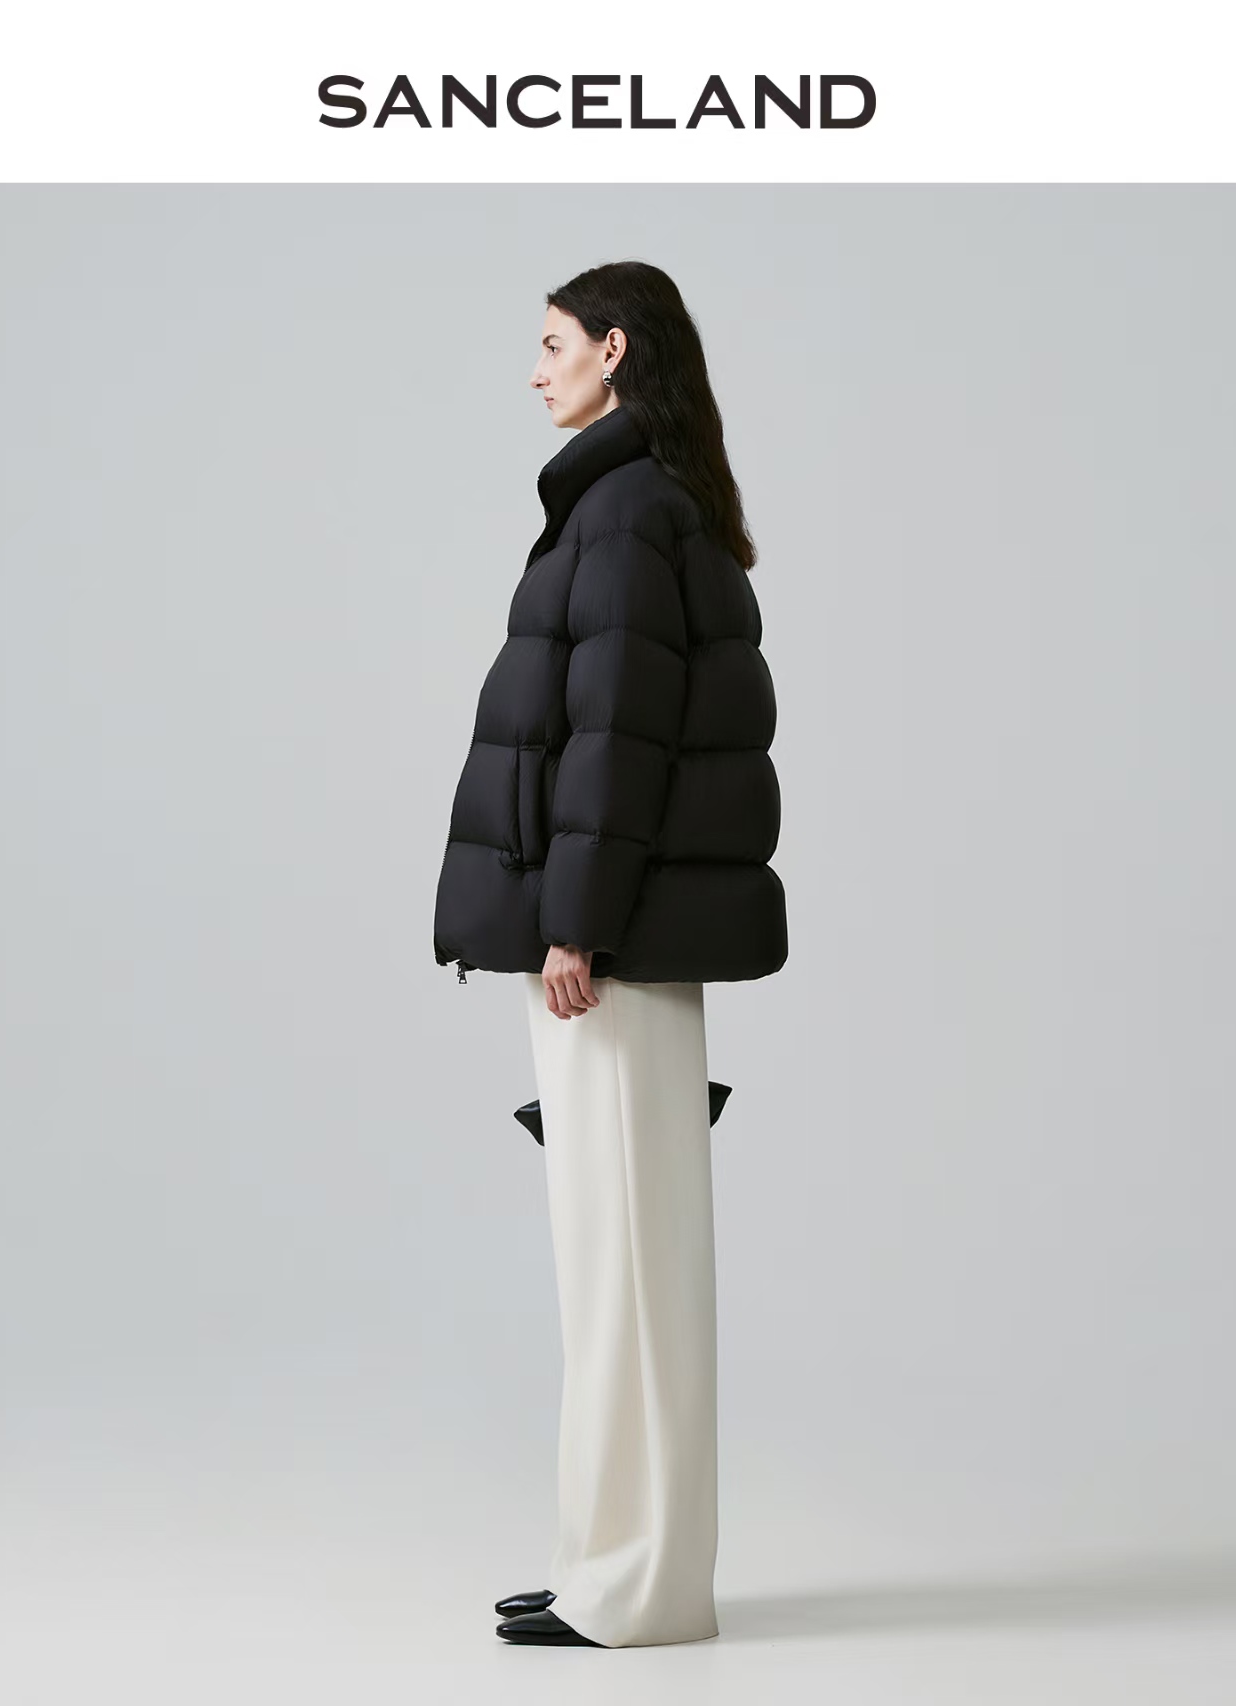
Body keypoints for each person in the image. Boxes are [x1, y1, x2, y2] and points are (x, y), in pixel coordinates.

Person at [432, 259, 788, 1647]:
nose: (535, 369)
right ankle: (609, 1560)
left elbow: (618, 741)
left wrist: (572, 920)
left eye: (551, 343)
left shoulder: (629, 511)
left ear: (614, 349)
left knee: (631, 1265)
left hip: (609, 946)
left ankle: (640, 1585)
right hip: (611, 937)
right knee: (613, 1260)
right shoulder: (626, 500)